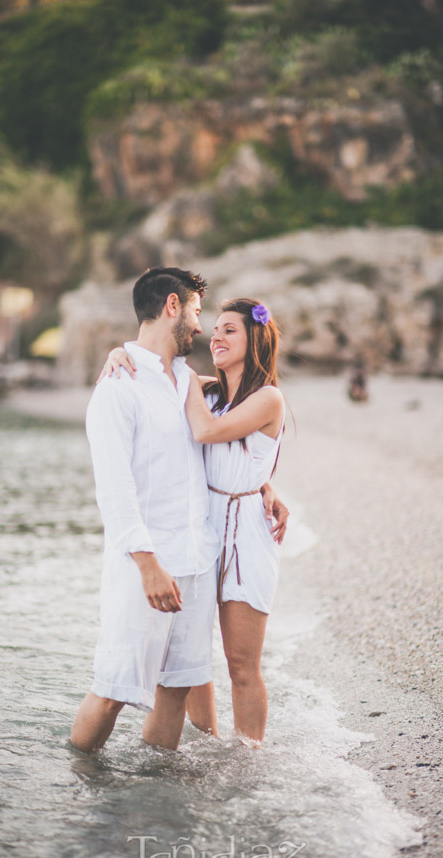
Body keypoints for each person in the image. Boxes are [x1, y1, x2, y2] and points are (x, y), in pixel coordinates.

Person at [71, 268, 285, 754]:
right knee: (113, 689)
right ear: (173, 306)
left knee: (175, 689)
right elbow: (114, 488)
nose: (202, 326)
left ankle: (157, 801)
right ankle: (80, 786)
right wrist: (146, 563)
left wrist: (263, 485)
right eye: (195, 312)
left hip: (198, 558)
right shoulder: (119, 386)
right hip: (148, 565)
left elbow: (227, 436)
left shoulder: (188, 381)